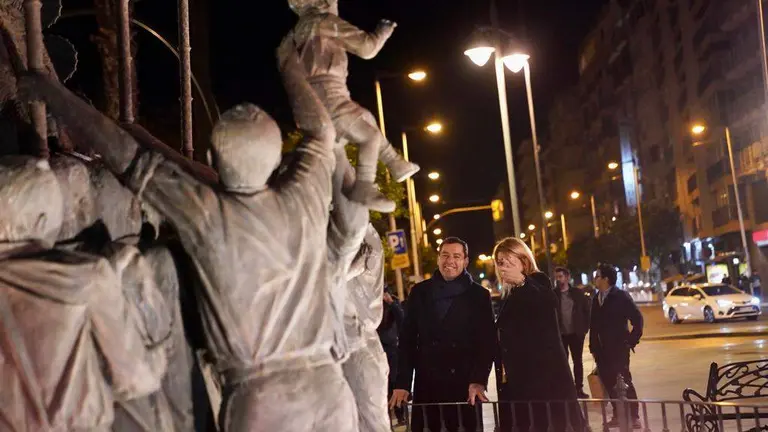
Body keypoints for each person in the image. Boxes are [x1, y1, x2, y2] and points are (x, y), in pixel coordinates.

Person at [20, 35, 357, 431]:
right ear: (275, 157)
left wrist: (53, 94)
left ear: (213, 159)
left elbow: (125, 156)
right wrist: (288, 63)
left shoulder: (207, 213)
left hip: (264, 400)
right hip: (328, 387)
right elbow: (321, 131)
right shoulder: (305, 197)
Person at [288, 0, 419, 212]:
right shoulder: (322, 20)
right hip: (326, 92)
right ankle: (363, 186)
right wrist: (382, 32)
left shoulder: (303, 25)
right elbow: (367, 48)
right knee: (370, 136)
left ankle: (394, 162)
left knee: (366, 117)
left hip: (320, 92)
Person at [390, 237, 496, 432]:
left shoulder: (479, 295)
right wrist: (403, 383)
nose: (450, 261)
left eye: (456, 256)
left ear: (465, 261)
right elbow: (407, 341)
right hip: (427, 386)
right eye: (445, 255)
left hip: (465, 388)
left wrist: (479, 380)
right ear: (438, 259)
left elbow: (486, 342)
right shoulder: (420, 292)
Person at [490, 237, 584, 432]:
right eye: (500, 262)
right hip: (519, 382)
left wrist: (523, 281)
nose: (503, 266)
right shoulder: (510, 293)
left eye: (509, 260)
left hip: (543, 383)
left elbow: (547, 302)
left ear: (523, 261)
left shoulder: (537, 281)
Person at [589, 263, 644, 429]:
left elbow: (637, 320)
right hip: (601, 350)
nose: (595, 279)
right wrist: (593, 346)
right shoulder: (596, 298)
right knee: (608, 382)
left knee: (624, 381)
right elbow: (593, 325)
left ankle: (634, 416)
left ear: (606, 279)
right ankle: (618, 415)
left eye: (598, 276)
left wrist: (631, 341)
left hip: (618, 348)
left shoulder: (620, 296)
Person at [554, 266, 591, 399]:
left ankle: (579, 388)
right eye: (556, 277)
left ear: (567, 277)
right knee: (563, 363)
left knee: (577, 361)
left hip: (576, 334)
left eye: (561, 276)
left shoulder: (577, 293)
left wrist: (584, 328)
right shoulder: (554, 295)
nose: (558, 280)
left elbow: (587, 311)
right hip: (561, 335)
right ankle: (566, 389)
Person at [378, 287, 405, 425]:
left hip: (392, 351)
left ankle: (401, 416)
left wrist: (391, 303)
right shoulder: (372, 305)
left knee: (395, 385)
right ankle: (387, 419)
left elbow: (402, 320)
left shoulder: (393, 304)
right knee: (384, 388)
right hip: (379, 350)